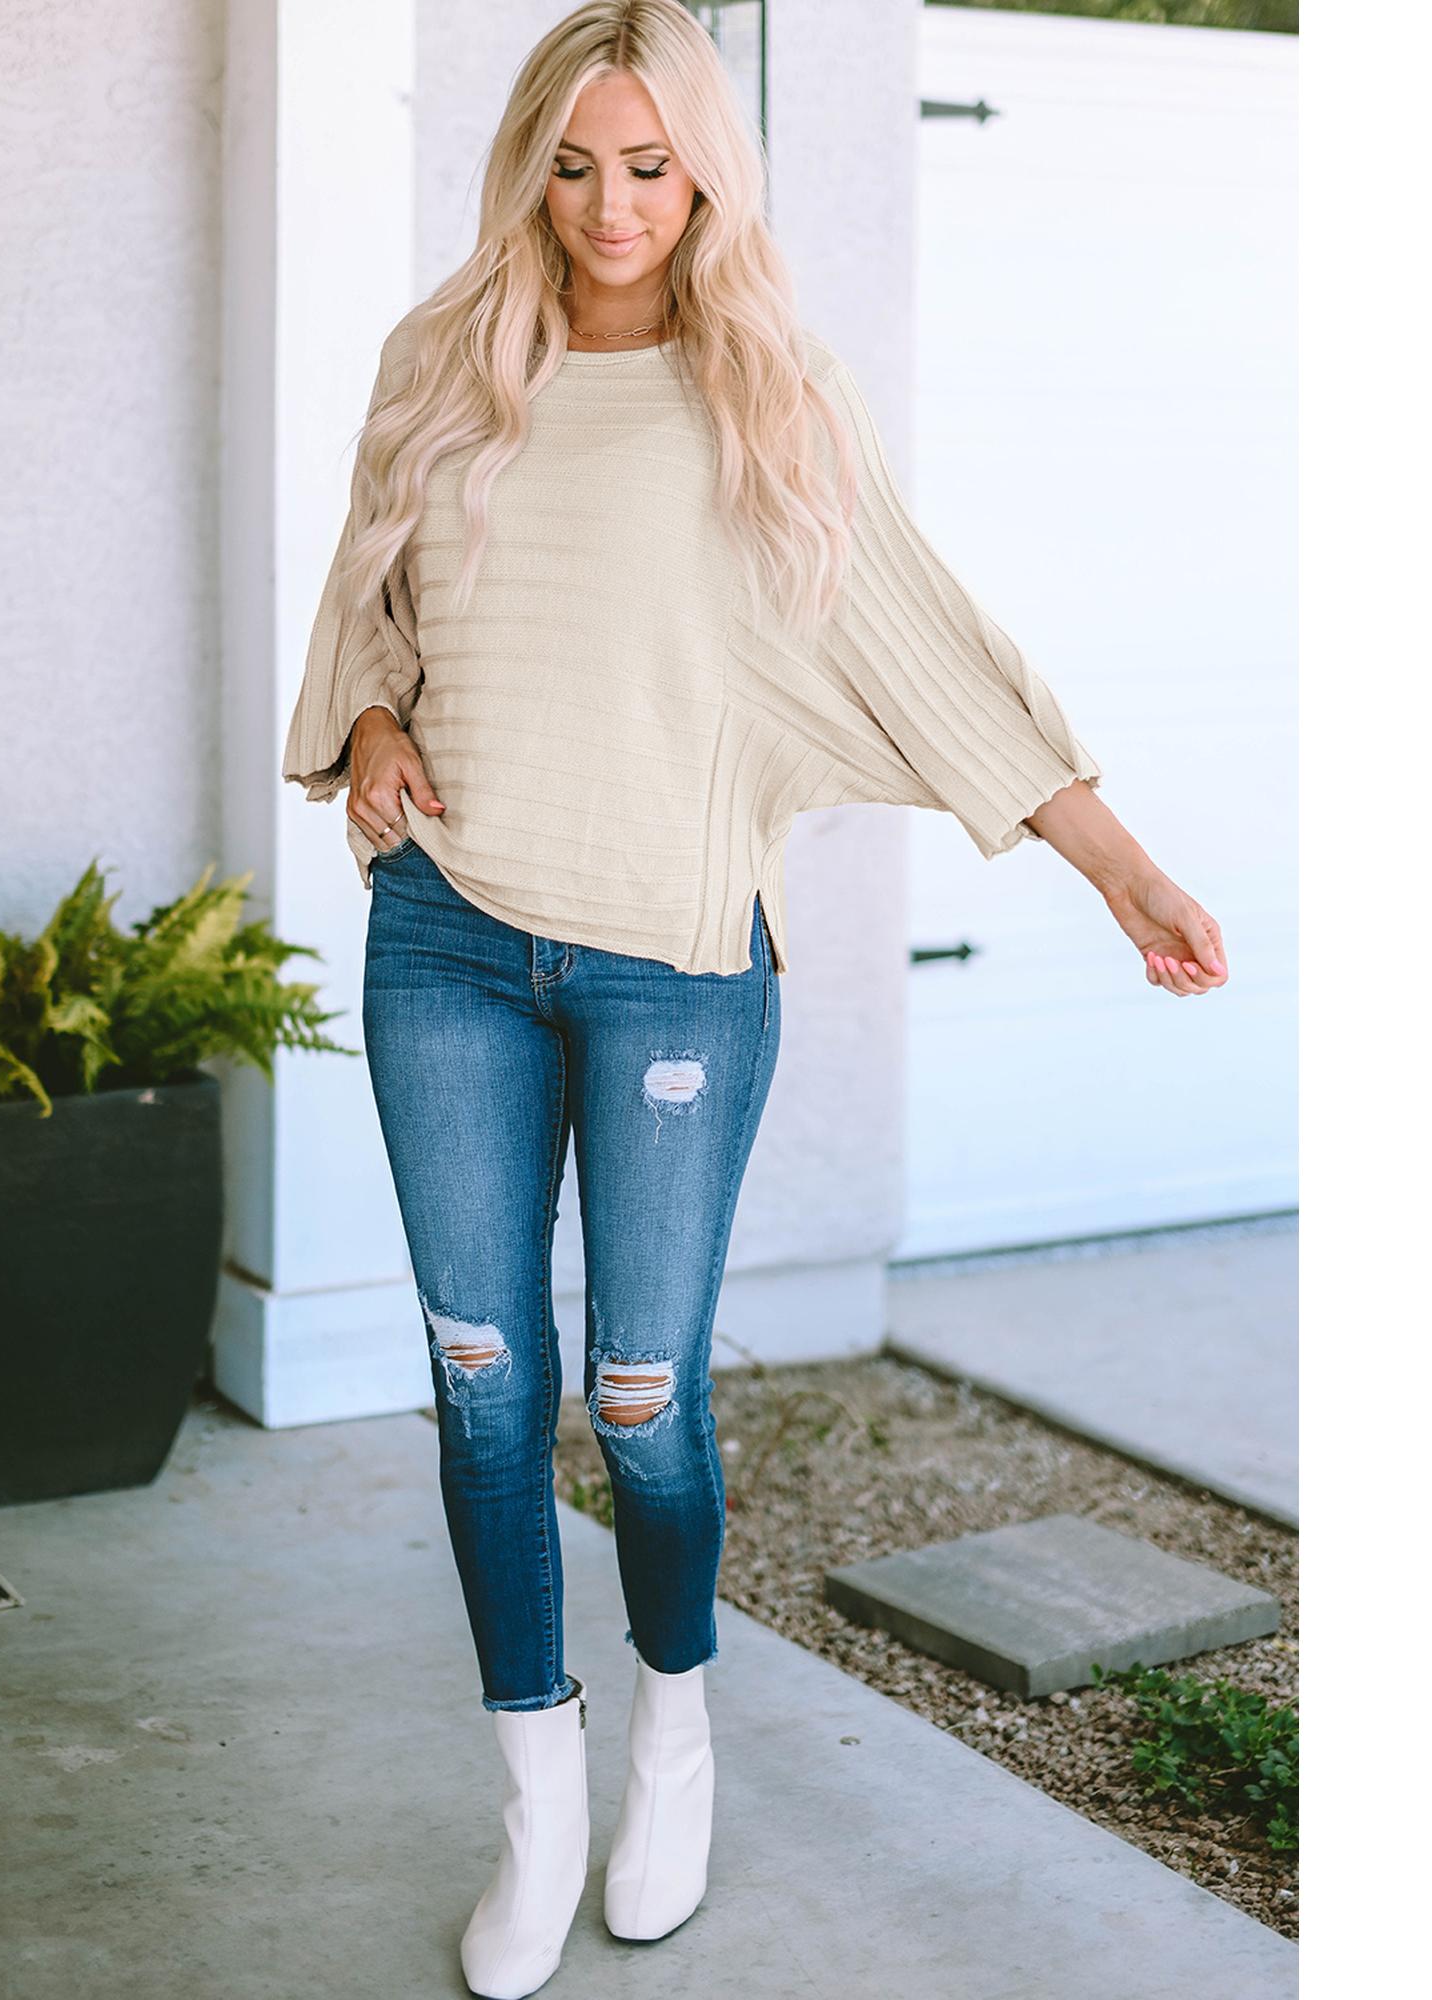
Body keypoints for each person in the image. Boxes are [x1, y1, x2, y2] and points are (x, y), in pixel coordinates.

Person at [282, 4, 1228, 1994]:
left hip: (676, 960)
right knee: (480, 1378)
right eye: (572, 165)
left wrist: (1120, 867)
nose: (610, 206)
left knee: (640, 1399)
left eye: (649, 165)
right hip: (444, 932)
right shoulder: (441, 357)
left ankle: (674, 1739)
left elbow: (922, 643)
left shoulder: (767, 391)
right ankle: (536, 1800)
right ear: (528, 167)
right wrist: (369, 722)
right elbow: (374, 590)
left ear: (705, 169)